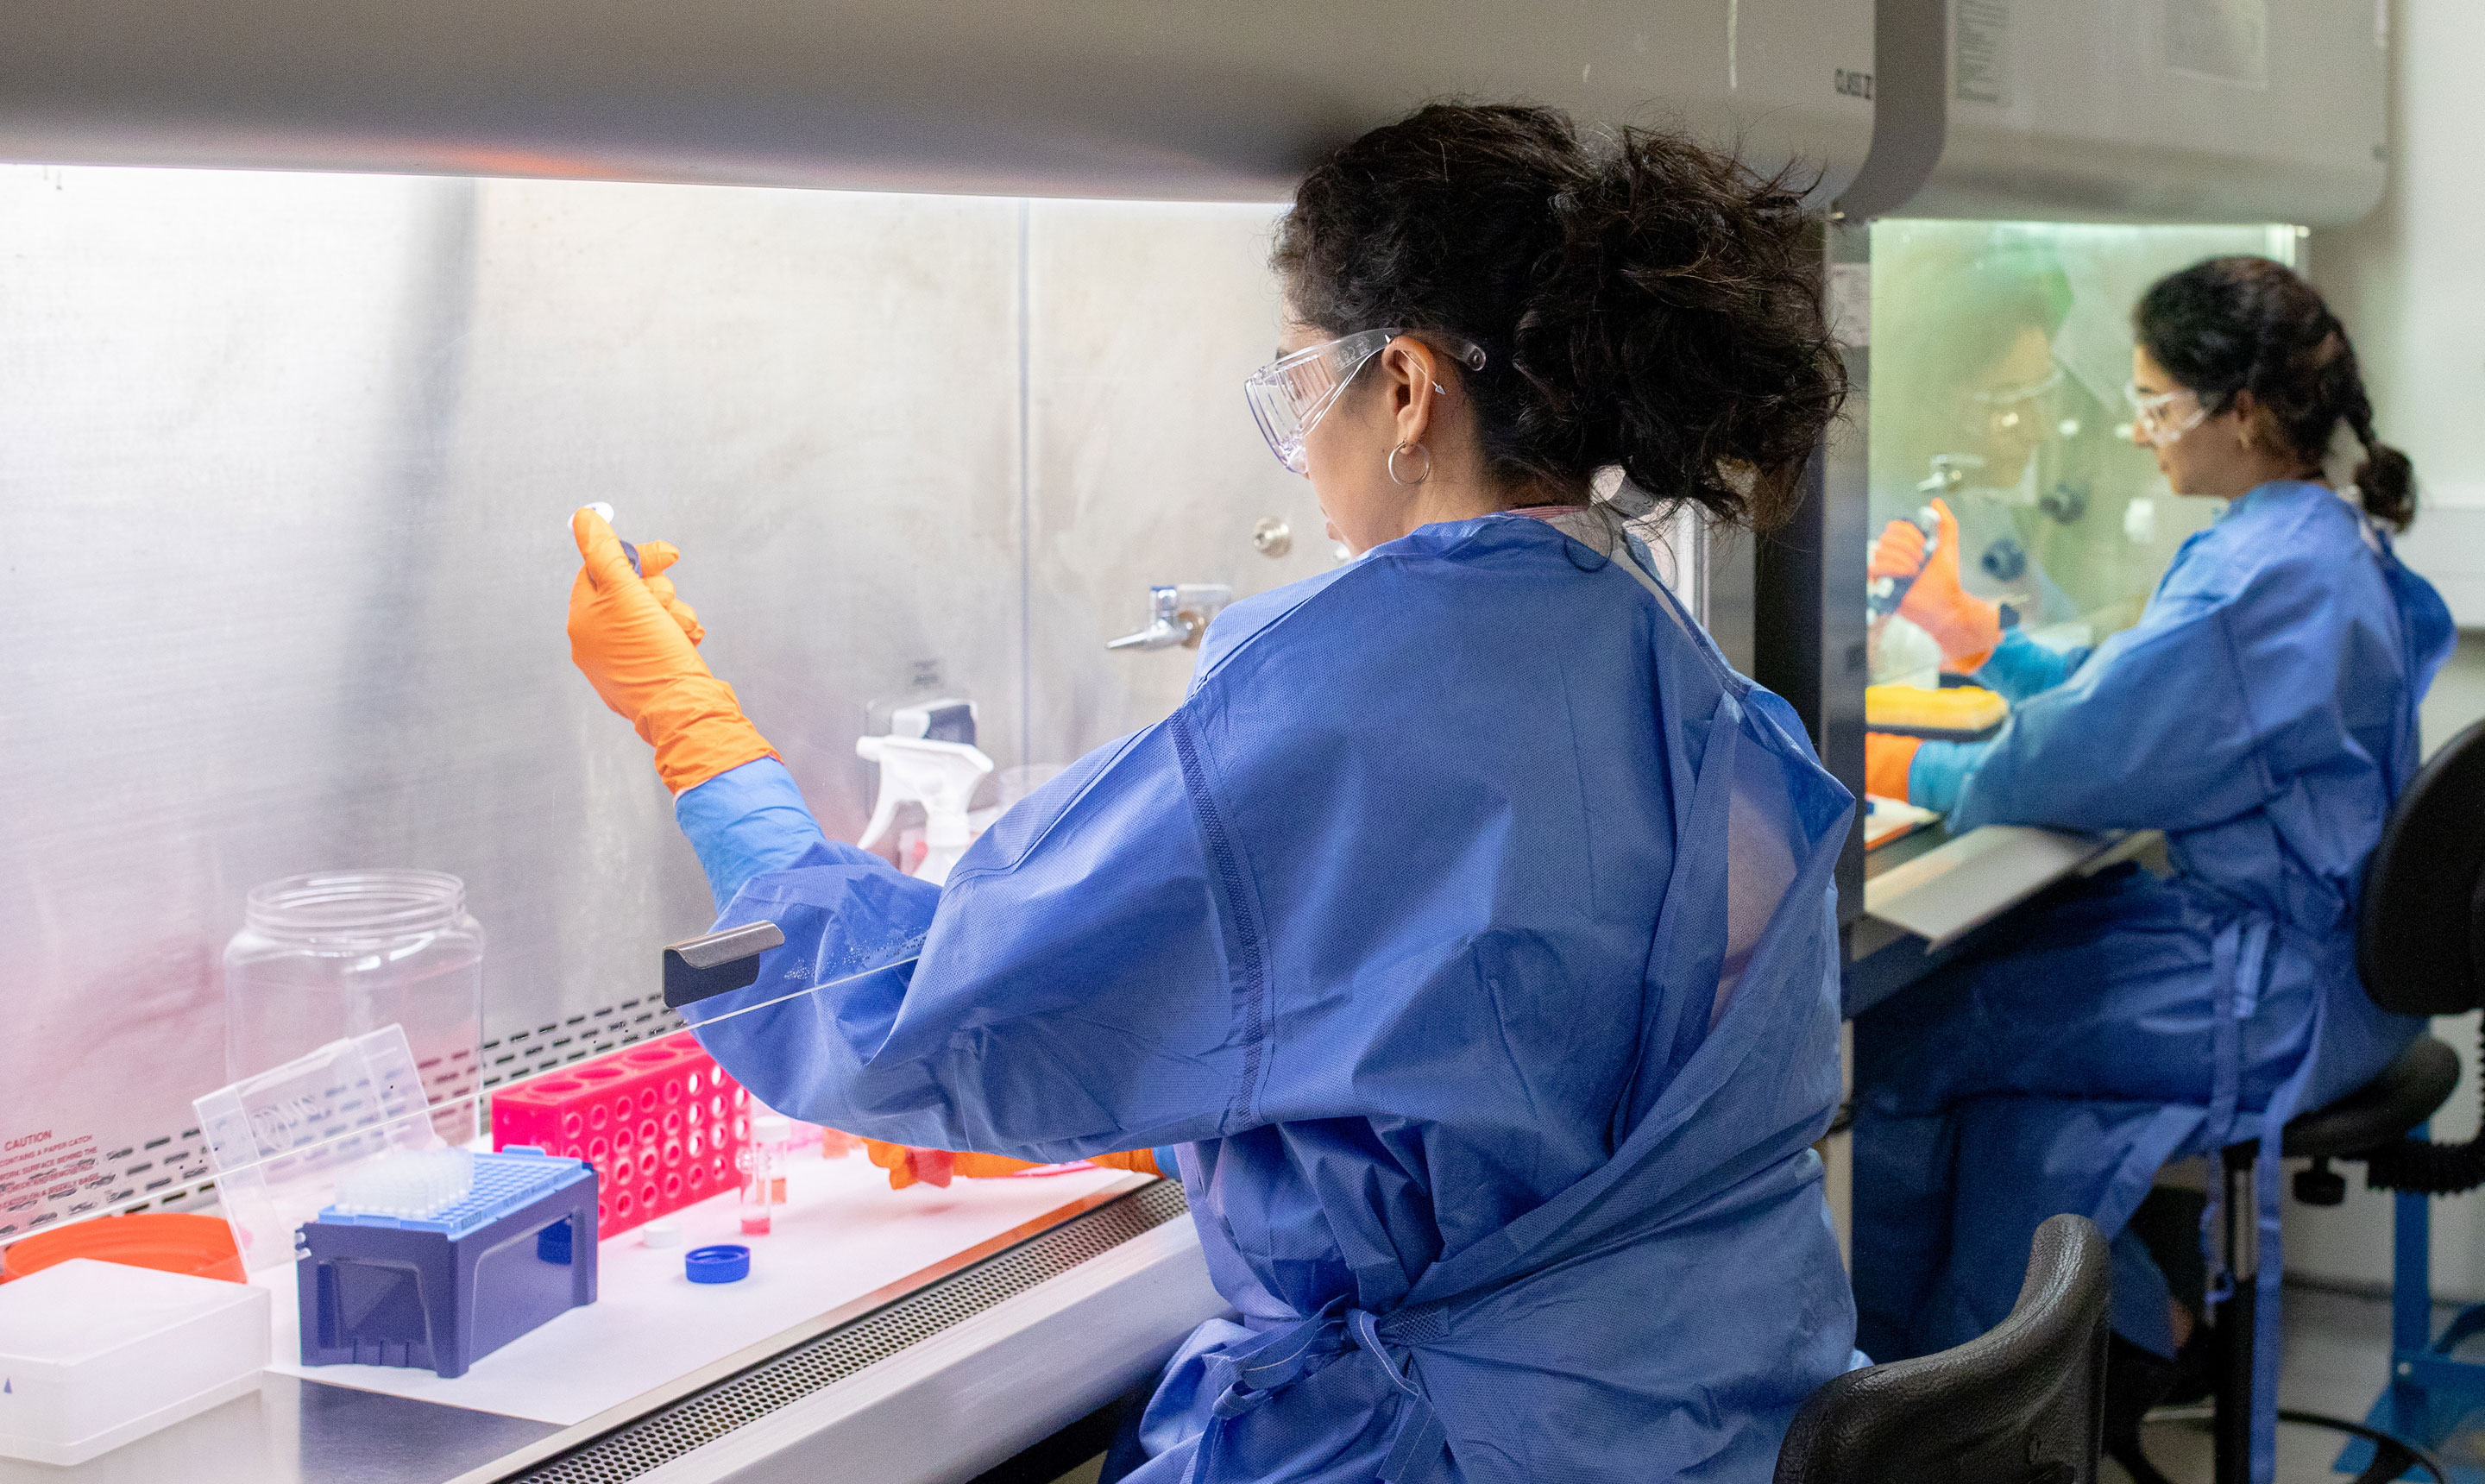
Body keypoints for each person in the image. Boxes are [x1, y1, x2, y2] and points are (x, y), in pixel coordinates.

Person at [563, 104, 1859, 1484]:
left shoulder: (1357, 687)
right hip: (1726, 1409)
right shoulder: (1667, 647)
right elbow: (1506, 1057)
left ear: (1407, 391)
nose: (1304, 449)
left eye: (1305, 387)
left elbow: (915, 1011)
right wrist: (1195, 1128)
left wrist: (698, 742)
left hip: (1469, 1446)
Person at [1854, 256, 2453, 1476]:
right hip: (2323, 960)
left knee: (1896, 1047)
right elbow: (2135, 706)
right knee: (2015, 1086)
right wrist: (1982, 638)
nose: (2137, 431)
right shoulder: (2309, 536)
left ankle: (1910, 1417)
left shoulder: (2259, 580)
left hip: (2273, 988)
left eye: (2160, 405)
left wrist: (1871, 765)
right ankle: (2129, 1337)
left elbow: (2057, 763)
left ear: (2243, 412)